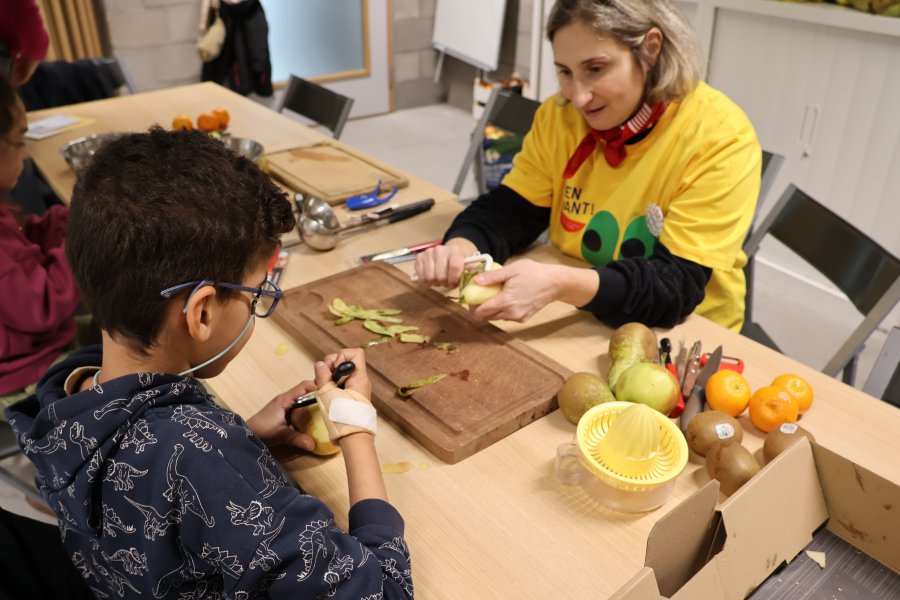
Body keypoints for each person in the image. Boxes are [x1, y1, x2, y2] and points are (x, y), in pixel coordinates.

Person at [4, 127, 413, 598]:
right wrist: (356, 427)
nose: (259, 304)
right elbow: (382, 591)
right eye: (256, 293)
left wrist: (245, 441)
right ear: (201, 313)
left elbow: (152, 497)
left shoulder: (66, 392)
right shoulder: (199, 454)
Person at [415, 0, 761, 332]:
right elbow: (512, 210)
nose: (577, 97)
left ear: (651, 49)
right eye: (565, 72)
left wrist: (559, 283)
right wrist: (464, 246)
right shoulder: (559, 116)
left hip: (684, 332)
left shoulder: (720, 138)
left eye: (595, 69)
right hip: (585, 304)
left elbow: (674, 287)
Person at [0, 70, 81, 403]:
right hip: (20, 373)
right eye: (19, 142)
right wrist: (76, 242)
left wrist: (61, 222)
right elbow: (45, 303)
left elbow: (23, 241)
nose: (26, 155)